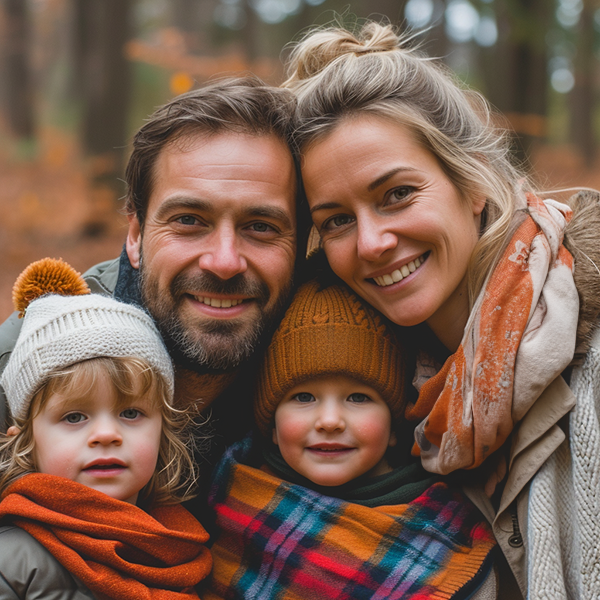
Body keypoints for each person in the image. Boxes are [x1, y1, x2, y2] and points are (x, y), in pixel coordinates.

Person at [282, 21, 600, 600]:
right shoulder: (396, 390)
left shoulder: (587, 346)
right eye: (337, 220)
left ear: (472, 183)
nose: (372, 242)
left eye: (397, 194)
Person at [0, 76, 304, 444]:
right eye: (189, 220)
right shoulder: (27, 364)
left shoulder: (334, 358)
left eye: (261, 226)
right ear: (135, 234)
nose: (224, 262)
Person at [205, 277, 498, 600]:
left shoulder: (446, 530)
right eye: (303, 398)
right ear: (271, 427)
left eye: (358, 398)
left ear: (393, 429)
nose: (330, 421)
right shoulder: (232, 506)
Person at [0, 258, 212, 599]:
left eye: (130, 412)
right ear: (26, 442)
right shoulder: (12, 562)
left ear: (164, 431)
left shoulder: (182, 547)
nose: (106, 435)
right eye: (73, 417)